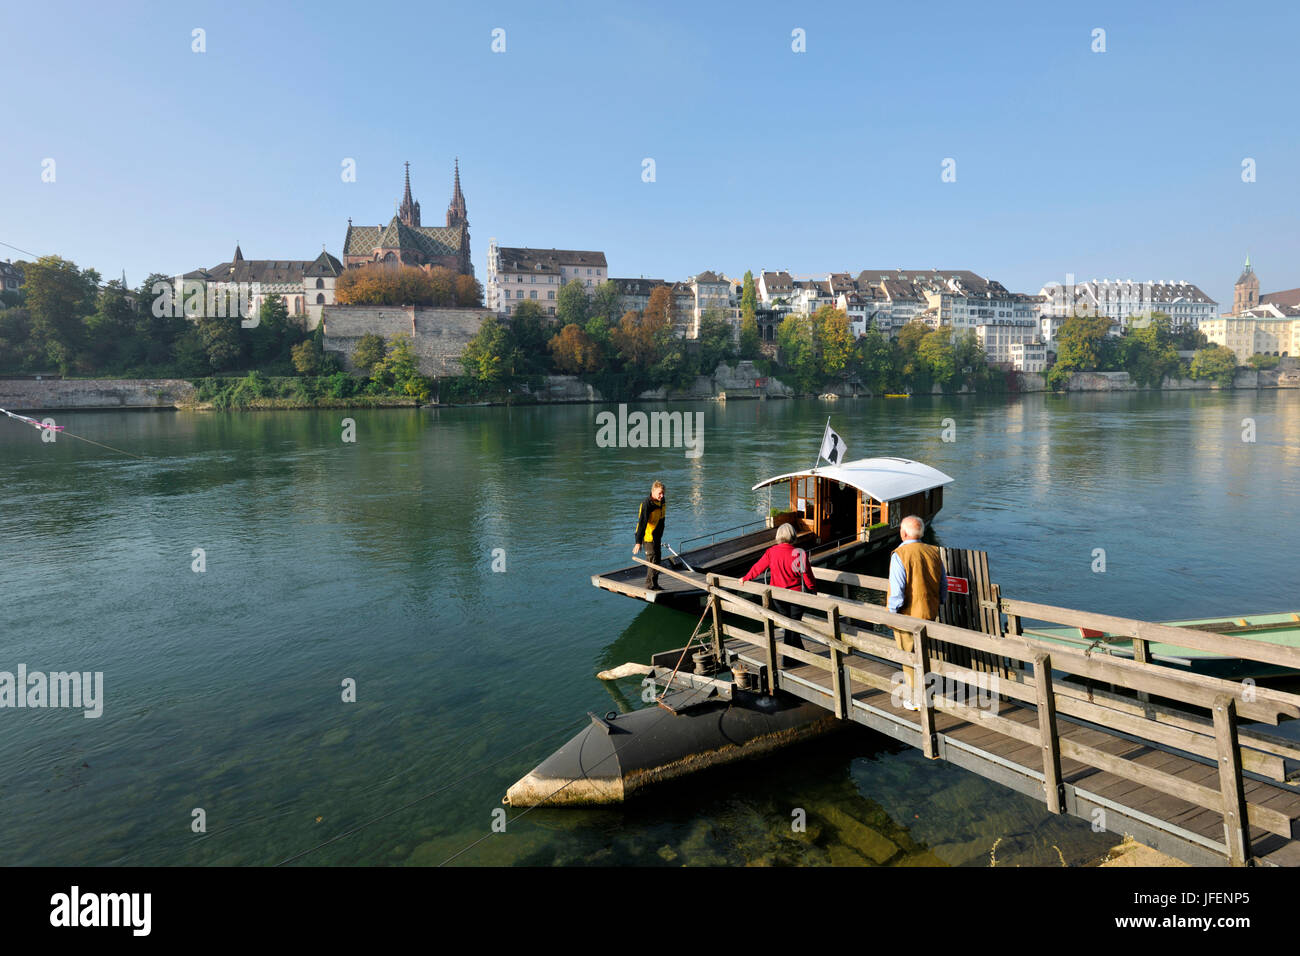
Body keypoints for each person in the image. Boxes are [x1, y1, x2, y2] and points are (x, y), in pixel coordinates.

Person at [887, 515, 948, 711]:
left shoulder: (900, 554)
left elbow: (897, 591)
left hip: (907, 614)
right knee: (924, 655)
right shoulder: (933, 552)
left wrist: (891, 613)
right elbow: (943, 585)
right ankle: (925, 693)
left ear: (903, 533)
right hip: (929, 612)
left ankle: (915, 699)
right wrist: (940, 602)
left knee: (909, 657)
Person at [741, 522, 817, 667]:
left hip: (777, 596)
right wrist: (813, 590)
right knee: (793, 626)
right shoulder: (799, 553)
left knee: (790, 625)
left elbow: (758, 567)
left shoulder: (771, 551)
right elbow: (807, 575)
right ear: (793, 535)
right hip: (795, 596)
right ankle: (787, 659)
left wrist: (745, 578)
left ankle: (800, 654)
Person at [632, 481, 666, 590]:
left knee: (658, 561)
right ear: (653, 491)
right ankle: (649, 586)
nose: (662, 495)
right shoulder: (647, 504)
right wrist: (638, 542)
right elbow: (642, 523)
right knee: (652, 562)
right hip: (648, 537)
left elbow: (661, 519)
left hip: (657, 536)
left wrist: (660, 534)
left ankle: (655, 584)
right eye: (660, 493)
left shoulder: (662, 501)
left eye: (663, 493)